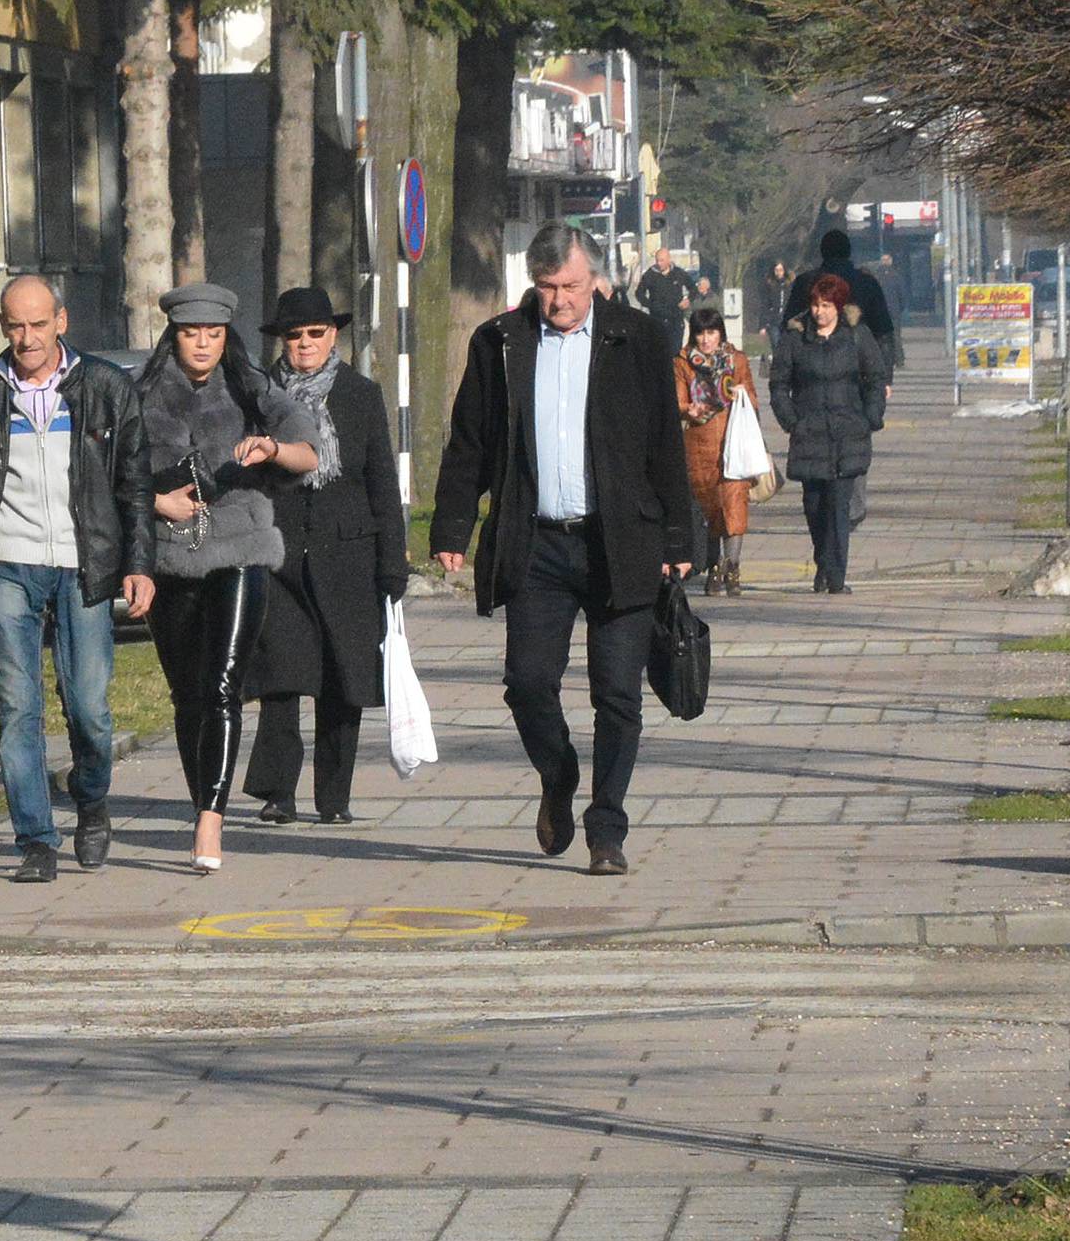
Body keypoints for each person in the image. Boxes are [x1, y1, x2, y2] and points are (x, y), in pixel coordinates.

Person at [430, 221, 694, 877]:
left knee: (618, 694)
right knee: (526, 683)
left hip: (620, 540)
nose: (559, 301)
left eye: (571, 286)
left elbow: (666, 443)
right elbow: (470, 441)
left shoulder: (637, 338)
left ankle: (606, 828)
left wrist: (680, 538)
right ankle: (559, 771)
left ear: (595, 278)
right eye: (547, 287)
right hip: (538, 541)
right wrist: (451, 529)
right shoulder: (500, 342)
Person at [137, 284, 320, 871]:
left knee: (222, 684)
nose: (202, 345)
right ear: (175, 335)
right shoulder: (137, 395)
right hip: (169, 556)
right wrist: (156, 501)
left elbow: (307, 452)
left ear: (225, 336)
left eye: (213, 335)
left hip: (241, 546)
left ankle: (211, 821)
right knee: (188, 695)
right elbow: (108, 475)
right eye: (192, 333)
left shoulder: (252, 387)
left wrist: (271, 449)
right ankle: (201, 802)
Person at [0, 275, 156, 882]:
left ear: (61, 322)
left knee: (88, 706)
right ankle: (36, 839)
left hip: (83, 563)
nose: (27, 338)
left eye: (39, 325)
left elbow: (134, 487)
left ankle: (91, 799)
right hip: (10, 563)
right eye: (16, 325)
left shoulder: (106, 387)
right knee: (17, 708)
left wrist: (138, 565)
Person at [243, 286, 409, 828]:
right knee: (283, 674)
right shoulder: (261, 395)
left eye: (316, 333)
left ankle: (334, 797)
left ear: (333, 336)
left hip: (349, 556)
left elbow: (382, 481)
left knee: (344, 678)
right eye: (295, 336)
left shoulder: (361, 394)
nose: (306, 344)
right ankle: (277, 792)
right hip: (280, 552)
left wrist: (392, 560)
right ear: (282, 342)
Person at [770, 273, 886, 596]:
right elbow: (779, 384)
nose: (819, 312)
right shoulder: (795, 339)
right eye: (815, 305)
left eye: (826, 305)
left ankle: (836, 577)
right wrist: (791, 420)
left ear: (839, 306)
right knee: (814, 506)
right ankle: (823, 562)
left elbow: (875, 377)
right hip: (809, 433)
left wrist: (870, 417)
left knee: (839, 505)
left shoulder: (857, 337)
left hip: (847, 433)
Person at [675, 300, 760, 597]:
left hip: (733, 442)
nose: (706, 339)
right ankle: (713, 566)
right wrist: (688, 409)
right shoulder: (683, 362)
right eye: (701, 333)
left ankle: (732, 566)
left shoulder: (736, 360)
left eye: (712, 333)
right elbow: (677, 400)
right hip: (699, 446)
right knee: (710, 510)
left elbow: (753, 398)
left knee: (735, 506)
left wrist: (741, 394)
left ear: (721, 334)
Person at [783, 229, 898, 378]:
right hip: (859, 366)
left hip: (811, 367)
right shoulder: (867, 283)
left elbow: (789, 325)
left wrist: (787, 374)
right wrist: (885, 376)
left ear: (822, 252)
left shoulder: (806, 282)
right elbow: (883, 332)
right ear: (848, 252)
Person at [634, 247, 692, 355]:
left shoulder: (678, 273)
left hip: (676, 320)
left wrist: (688, 300)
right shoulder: (649, 275)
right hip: (657, 319)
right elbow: (639, 294)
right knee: (659, 352)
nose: (659, 263)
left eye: (662, 260)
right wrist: (651, 305)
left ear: (669, 259)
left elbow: (693, 289)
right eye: (657, 260)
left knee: (675, 353)